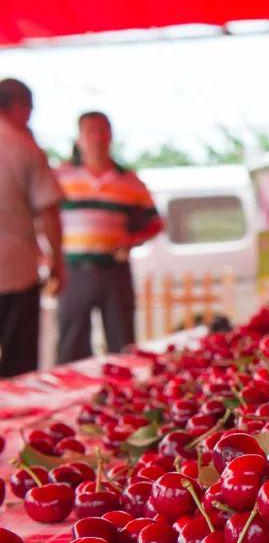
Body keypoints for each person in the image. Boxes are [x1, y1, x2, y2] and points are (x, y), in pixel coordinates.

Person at [53, 111, 162, 364]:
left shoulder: (131, 181)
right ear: (79, 138)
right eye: (90, 131)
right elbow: (42, 218)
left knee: (121, 340)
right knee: (71, 343)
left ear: (111, 136)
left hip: (115, 270)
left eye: (103, 131)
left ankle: (121, 395)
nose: (97, 138)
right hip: (73, 270)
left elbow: (155, 222)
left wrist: (132, 241)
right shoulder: (60, 177)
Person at [0, 78, 64, 377]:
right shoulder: (23, 147)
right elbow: (48, 211)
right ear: (18, 106)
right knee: (18, 366)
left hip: (15, 269)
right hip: (15, 273)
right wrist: (57, 262)